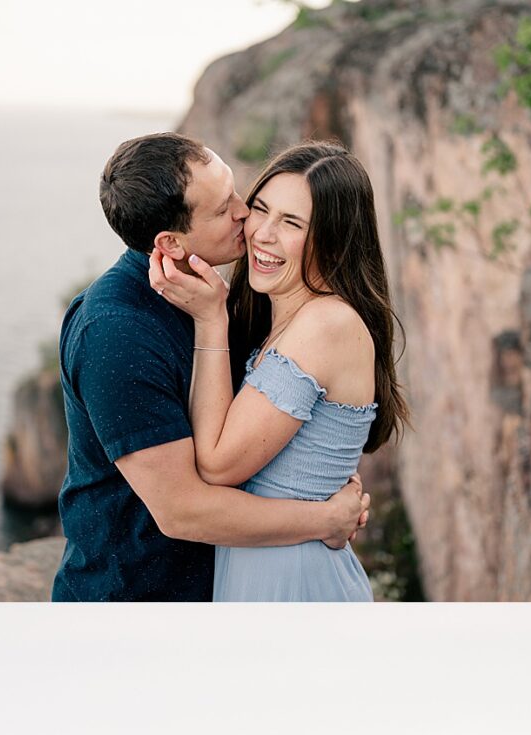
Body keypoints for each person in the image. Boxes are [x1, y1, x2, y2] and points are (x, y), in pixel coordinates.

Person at [52, 134, 369, 602]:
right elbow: (183, 510)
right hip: (136, 605)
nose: (245, 214)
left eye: (239, 193)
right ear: (171, 243)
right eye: (224, 209)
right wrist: (324, 519)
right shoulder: (117, 333)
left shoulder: (214, 299)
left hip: (230, 589)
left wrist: (326, 473)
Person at [151, 143, 410, 602]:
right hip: (271, 571)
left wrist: (210, 321)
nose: (262, 235)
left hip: (296, 584)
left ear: (334, 239)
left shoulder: (326, 325)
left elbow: (216, 465)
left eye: (291, 223)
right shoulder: (290, 321)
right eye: (261, 210)